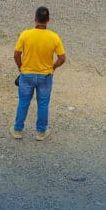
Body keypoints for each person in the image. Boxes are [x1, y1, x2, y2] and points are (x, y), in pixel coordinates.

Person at [11, 7, 66, 140]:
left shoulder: (25, 34)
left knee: (23, 102)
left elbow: (17, 54)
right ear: (48, 20)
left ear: (35, 19)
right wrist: (53, 67)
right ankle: (41, 132)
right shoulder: (54, 37)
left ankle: (18, 129)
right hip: (45, 76)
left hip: (27, 74)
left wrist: (20, 66)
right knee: (43, 104)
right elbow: (62, 58)